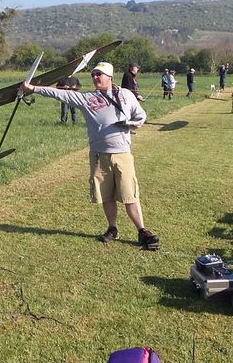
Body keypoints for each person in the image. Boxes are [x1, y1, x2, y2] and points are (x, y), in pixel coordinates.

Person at [21, 62, 160, 250]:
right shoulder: (87, 98)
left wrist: (132, 124)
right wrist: (34, 89)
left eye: (99, 74)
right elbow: (61, 94)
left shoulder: (126, 95)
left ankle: (142, 230)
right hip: (98, 155)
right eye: (93, 74)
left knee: (129, 194)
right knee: (106, 194)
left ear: (110, 77)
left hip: (122, 154)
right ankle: (113, 228)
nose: (95, 78)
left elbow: (141, 115)